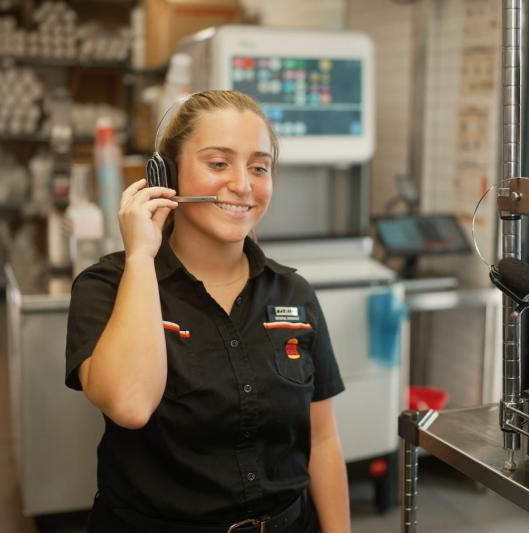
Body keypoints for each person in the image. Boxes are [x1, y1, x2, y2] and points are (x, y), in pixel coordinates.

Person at [65, 90, 350, 532]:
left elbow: (324, 440)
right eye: (218, 163)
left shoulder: (294, 293)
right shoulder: (106, 286)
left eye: (259, 167)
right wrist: (141, 255)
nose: (242, 184)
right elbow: (130, 404)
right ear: (167, 174)